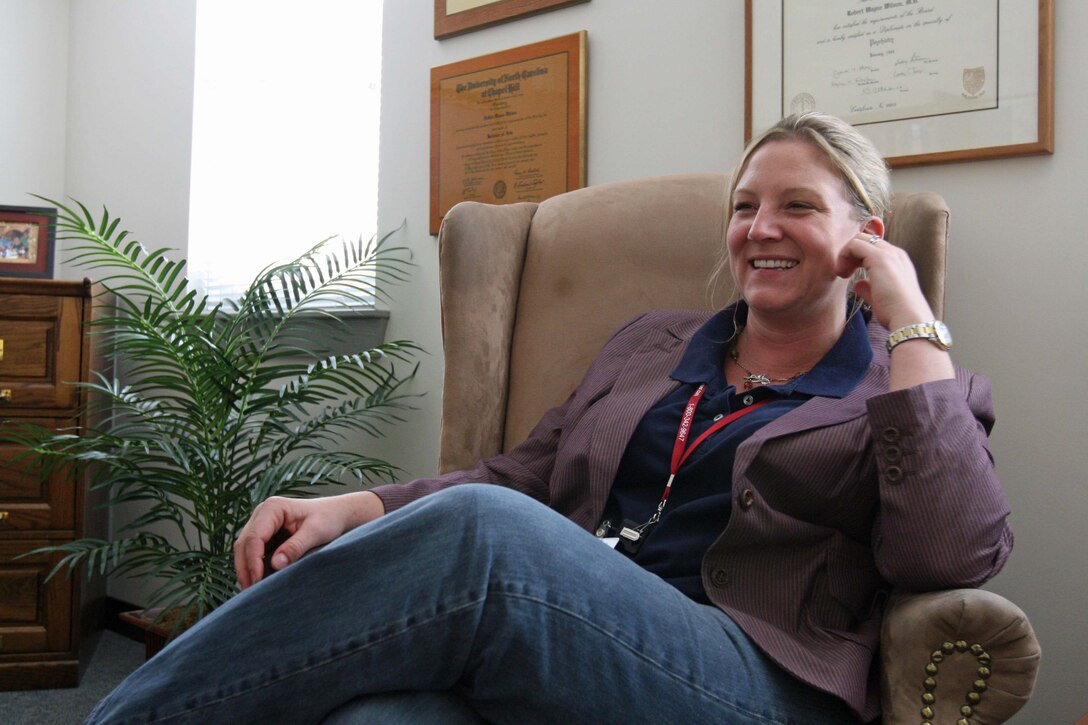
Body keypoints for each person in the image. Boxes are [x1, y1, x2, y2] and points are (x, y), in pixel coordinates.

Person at [86, 113, 1011, 725]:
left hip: (741, 678)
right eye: (744, 207)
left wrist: (909, 319)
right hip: (559, 640)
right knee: (371, 719)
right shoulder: (654, 342)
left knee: (491, 538)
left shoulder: (910, 386)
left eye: (798, 207)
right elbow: (519, 474)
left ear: (867, 238)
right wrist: (357, 505)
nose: (759, 227)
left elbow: (950, 555)